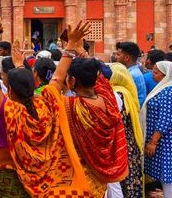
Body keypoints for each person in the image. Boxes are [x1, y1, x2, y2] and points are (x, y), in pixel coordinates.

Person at [0, 18, 92, 197]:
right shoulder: (46, 104)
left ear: (9, 90)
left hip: (6, 177)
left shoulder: (7, 110)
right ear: (34, 84)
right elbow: (58, 76)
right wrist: (70, 44)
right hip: (40, 180)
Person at [63, 53, 129, 196]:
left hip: (81, 174)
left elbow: (50, 94)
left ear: (72, 80)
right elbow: (102, 82)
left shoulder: (71, 106)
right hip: (101, 177)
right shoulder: (108, 100)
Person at [107, 63, 144, 197]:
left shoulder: (117, 93)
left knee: (122, 177)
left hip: (121, 140)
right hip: (129, 140)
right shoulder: (126, 91)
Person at [142, 61, 172, 197]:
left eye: (155, 72)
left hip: (164, 141)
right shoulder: (162, 88)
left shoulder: (168, 91)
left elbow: (165, 119)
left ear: (165, 75)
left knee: (168, 176)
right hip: (161, 140)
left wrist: (153, 142)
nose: (152, 74)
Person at [115, 41, 147, 106]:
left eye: (118, 55)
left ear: (127, 58)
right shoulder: (132, 72)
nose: (116, 57)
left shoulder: (131, 75)